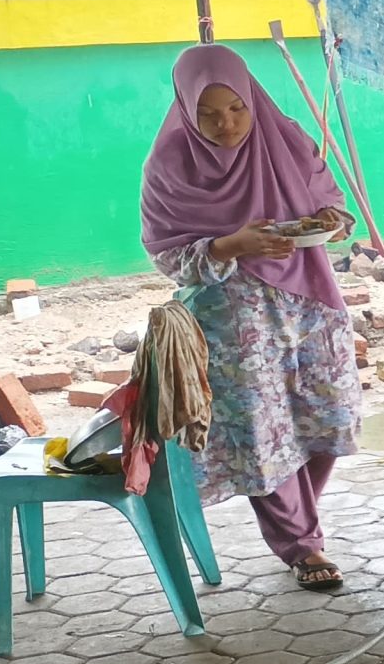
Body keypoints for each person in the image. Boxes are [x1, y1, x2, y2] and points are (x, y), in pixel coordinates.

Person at [141, 43, 360, 591]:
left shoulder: (287, 139)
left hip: (309, 304)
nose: (227, 124)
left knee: (327, 416)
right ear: (186, 109)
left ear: (252, 99)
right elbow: (167, 256)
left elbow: (333, 206)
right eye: (209, 113)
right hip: (234, 320)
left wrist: (332, 220)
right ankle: (301, 543)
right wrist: (230, 245)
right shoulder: (168, 166)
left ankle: (301, 519)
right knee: (264, 431)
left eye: (237, 108)